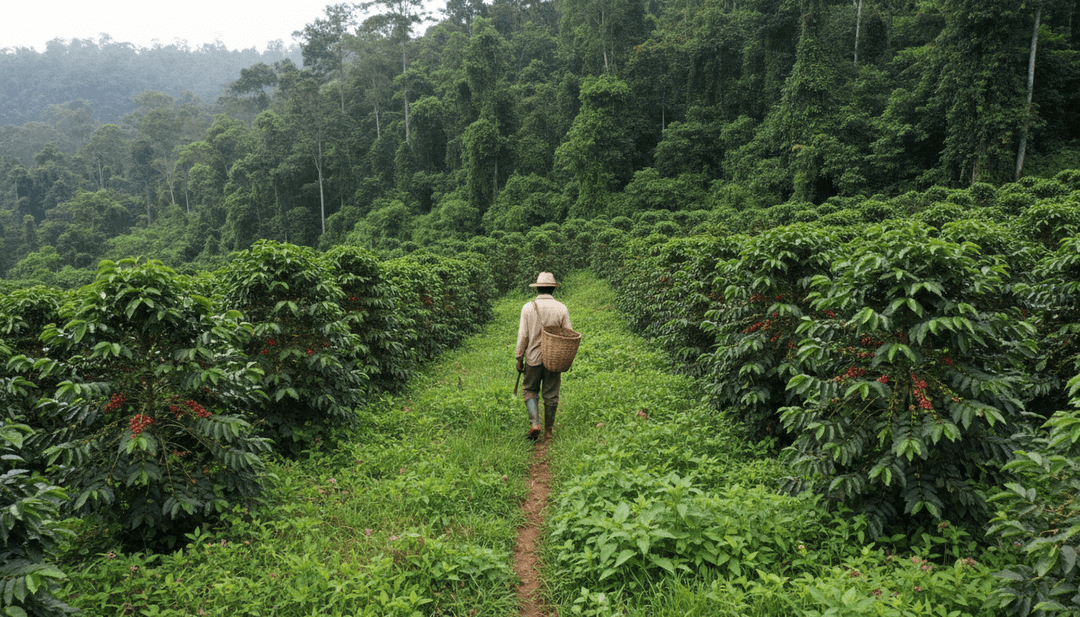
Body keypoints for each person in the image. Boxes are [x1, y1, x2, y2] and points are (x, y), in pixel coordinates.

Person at [515, 272, 572, 441]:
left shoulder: (527, 308)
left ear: (538, 288)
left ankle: (534, 423)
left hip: (532, 358)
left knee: (529, 390)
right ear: (553, 289)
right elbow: (568, 334)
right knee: (551, 394)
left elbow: (523, 335)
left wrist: (519, 357)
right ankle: (548, 431)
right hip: (554, 360)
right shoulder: (561, 308)